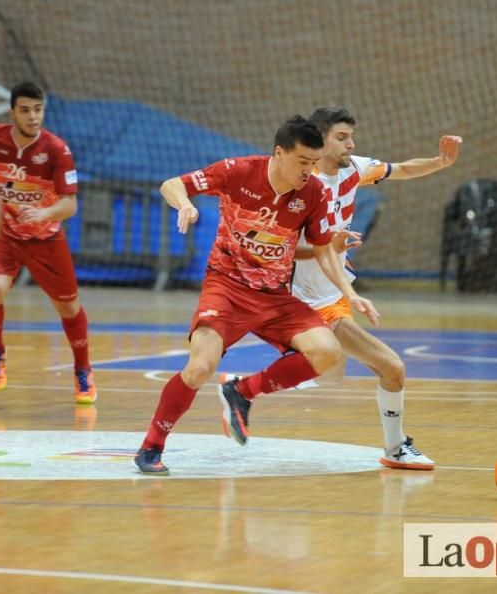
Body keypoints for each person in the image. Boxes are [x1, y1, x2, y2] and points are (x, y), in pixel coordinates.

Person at [134, 115, 380, 476]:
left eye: (313, 163)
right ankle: (151, 446)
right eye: (302, 162)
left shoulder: (311, 192)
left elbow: (323, 250)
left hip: (275, 296)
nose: (308, 171)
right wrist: (184, 204)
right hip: (227, 288)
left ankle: (242, 390)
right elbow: (173, 184)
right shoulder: (239, 171)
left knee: (327, 351)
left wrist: (349, 292)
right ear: (278, 153)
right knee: (200, 365)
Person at [229, 107, 461, 470]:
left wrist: (440, 162)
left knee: (331, 374)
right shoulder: (299, 185)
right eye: (341, 137)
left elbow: (400, 169)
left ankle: (243, 387)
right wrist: (329, 246)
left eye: (351, 136)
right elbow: (279, 245)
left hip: (332, 292)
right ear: (320, 143)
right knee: (392, 368)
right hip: (300, 295)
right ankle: (396, 446)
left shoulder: (355, 169)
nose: (351, 144)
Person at [0, 82, 95, 403]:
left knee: (68, 306)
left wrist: (43, 212)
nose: (33, 117)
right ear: (12, 112)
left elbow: (69, 206)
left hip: (45, 238)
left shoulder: (56, 150)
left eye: (38, 109)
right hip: (5, 234)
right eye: (25, 110)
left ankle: (83, 370)